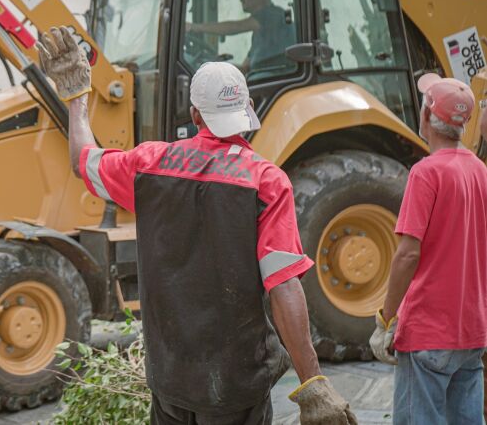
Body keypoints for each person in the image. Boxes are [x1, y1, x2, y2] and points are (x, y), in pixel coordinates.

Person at [38, 27, 356, 425]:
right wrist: (313, 381)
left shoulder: (149, 165)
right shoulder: (265, 182)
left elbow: (83, 159)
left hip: (169, 378)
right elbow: (284, 285)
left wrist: (77, 99)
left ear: (194, 115)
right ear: (248, 109)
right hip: (236, 385)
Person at [370, 74, 487, 425]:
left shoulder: (426, 173)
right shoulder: (480, 171)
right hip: (471, 332)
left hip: (428, 332)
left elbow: (407, 254)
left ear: (425, 117)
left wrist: (386, 318)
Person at [189, 0, 294, 73]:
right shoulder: (263, 31)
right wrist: (217, 67)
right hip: (261, 77)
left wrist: (195, 27)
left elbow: (236, 26)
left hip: (274, 78)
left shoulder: (272, 15)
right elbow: (245, 68)